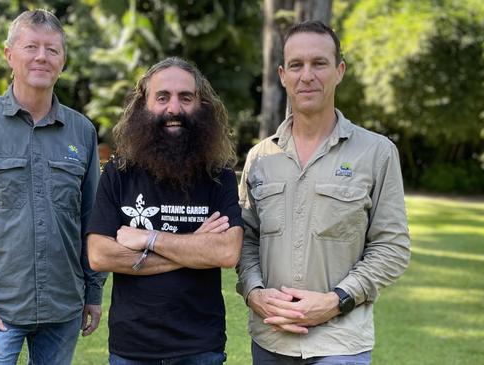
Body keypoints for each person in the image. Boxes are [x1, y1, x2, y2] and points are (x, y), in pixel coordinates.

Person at [236, 20, 411, 364]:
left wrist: (336, 300)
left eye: (319, 63)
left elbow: (392, 246)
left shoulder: (376, 152)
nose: (307, 75)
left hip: (340, 343)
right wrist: (254, 291)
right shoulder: (260, 158)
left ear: (339, 71)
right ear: (283, 75)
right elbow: (245, 240)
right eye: (297, 66)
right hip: (270, 339)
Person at [0, 9, 106, 364]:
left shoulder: (82, 132)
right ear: (9, 55)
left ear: (63, 61)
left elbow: (94, 220)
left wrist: (93, 291)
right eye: (31, 46)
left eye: (52, 50)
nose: (42, 57)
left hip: (63, 305)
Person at [86, 57, 243, 365]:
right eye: (162, 97)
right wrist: (194, 246)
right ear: (142, 105)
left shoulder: (218, 174)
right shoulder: (119, 172)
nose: (174, 109)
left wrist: (148, 238)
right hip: (132, 349)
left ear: (202, 105)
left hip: (200, 348)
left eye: (185, 97)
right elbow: (99, 255)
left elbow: (226, 252)